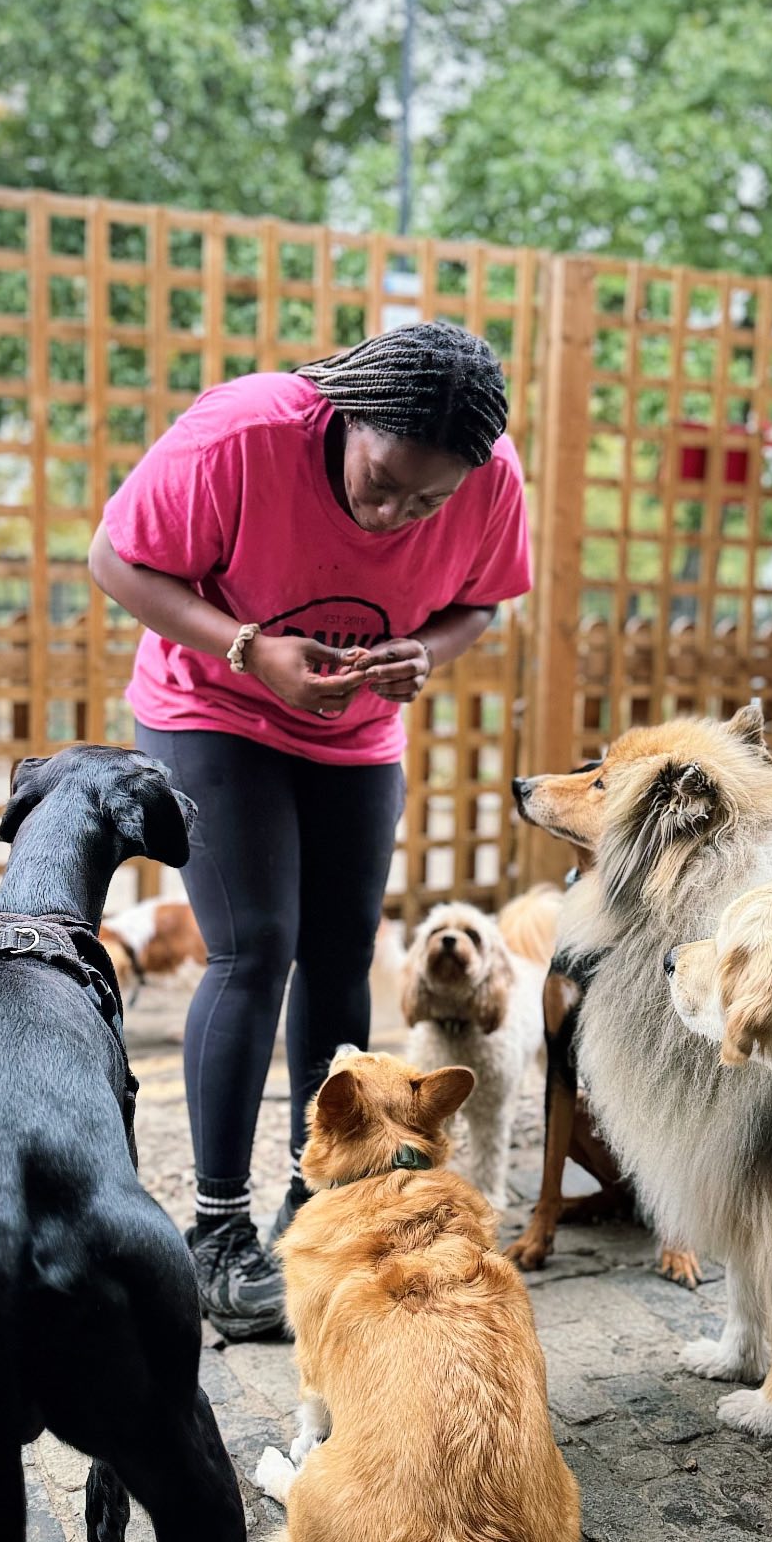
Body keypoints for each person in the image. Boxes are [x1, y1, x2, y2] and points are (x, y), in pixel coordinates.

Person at [88, 322, 531, 1339]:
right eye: (384, 481)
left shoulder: (489, 473)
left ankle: (319, 1206)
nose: (395, 512)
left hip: (356, 731)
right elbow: (114, 559)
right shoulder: (242, 435)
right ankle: (215, 1230)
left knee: (339, 954)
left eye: (427, 499)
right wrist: (248, 647)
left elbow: (482, 602)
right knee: (254, 947)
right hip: (212, 704)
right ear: (348, 417)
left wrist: (423, 647)